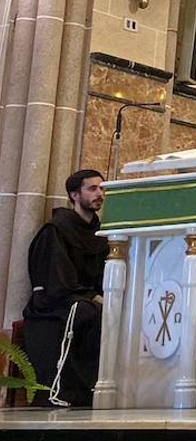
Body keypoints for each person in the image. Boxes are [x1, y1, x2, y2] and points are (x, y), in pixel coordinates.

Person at [23, 170, 108, 407]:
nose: (99, 194)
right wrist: (94, 296)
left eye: (102, 189)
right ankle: (69, 392)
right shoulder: (57, 229)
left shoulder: (102, 234)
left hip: (89, 298)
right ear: (74, 195)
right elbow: (57, 280)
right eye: (92, 189)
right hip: (56, 303)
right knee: (87, 312)